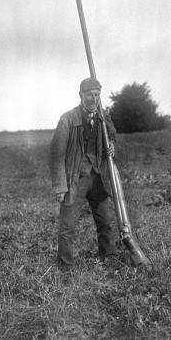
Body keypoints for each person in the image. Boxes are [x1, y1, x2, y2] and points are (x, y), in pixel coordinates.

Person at [49, 77, 117, 268]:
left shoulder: (104, 117)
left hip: (98, 178)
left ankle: (109, 258)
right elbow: (56, 156)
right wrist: (60, 187)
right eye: (89, 95)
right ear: (81, 96)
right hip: (75, 180)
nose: (93, 99)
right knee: (67, 227)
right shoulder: (67, 119)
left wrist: (111, 146)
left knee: (105, 222)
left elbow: (111, 137)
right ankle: (65, 266)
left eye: (97, 95)